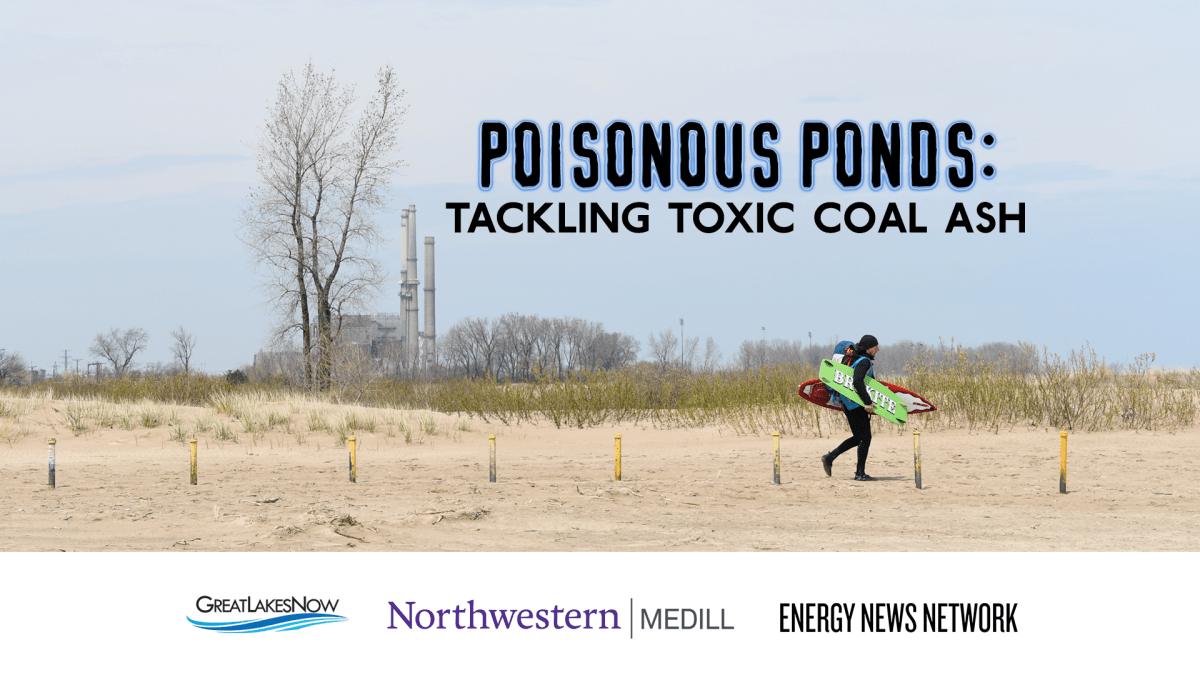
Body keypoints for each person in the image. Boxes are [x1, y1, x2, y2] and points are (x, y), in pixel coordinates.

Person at [821, 335, 880, 481]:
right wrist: (867, 402)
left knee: (859, 437)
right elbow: (858, 381)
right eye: (875, 347)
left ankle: (829, 457)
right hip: (855, 404)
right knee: (865, 438)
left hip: (848, 404)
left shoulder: (856, 359)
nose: (878, 349)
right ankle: (860, 474)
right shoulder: (864, 361)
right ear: (869, 349)